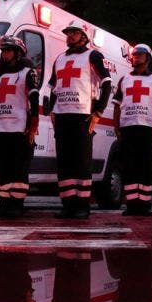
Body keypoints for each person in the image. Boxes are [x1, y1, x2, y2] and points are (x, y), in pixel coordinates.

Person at [46, 20, 112, 219]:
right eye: (68, 33)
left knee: (81, 162)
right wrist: (52, 112)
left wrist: (98, 112)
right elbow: (53, 89)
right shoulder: (59, 59)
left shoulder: (92, 56)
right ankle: (68, 205)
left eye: (73, 33)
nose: (69, 36)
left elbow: (107, 84)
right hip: (62, 117)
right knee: (64, 162)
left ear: (83, 36)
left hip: (83, 116)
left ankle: (82, 206)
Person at [0, 36, 39, 218]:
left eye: (8, 50)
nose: (5, 54)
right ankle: (5, 203)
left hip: (18, 128)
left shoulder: (27, 73)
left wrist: (32, 127)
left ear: (18, 53)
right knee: (2, 169)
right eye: (3, 51)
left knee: (19, 168)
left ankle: (17, 204)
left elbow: (34, 100)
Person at [112, 44, 152, 216]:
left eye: (140, 54)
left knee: (145, 167)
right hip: (128, 128)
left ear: (148, 58)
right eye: (134, 54)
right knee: (129, 167)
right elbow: (117, 105)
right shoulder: (124, 79)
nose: (136, 57)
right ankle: (131, 204)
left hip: (147, 129)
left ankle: (144, 205)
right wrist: (116, 127)